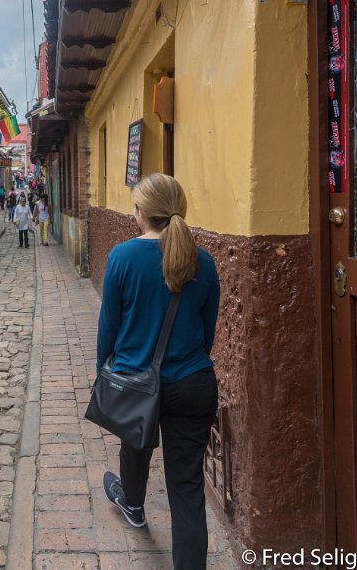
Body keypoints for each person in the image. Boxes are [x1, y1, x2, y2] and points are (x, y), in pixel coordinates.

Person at [97, 173, 220, 570]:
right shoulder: (203, 261)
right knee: (187, 488)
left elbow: (108, 330)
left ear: (141, 214)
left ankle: (133, 503)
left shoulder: (122, 257)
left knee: (135, 450)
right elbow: (208, 330)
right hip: (192, 382)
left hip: (135, 383)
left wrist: (106, 370)